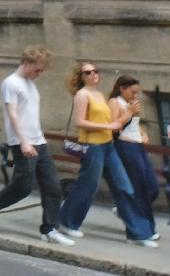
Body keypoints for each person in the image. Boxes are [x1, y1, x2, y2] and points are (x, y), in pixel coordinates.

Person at [0, 45, 74, 246]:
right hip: (23, 143)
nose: (39, 74)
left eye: (41, 70)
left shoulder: (30, 83)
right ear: (26, 63)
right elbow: (12, 114)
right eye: (38, 69)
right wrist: (23, 142)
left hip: (39, 142)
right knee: (23, 187)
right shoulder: (11, 83)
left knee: (53, 187)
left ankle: (49, 229)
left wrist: (38, 139)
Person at [56, 61, 156, 247]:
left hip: (108, 146)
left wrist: (125, 122)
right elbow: (80, 122)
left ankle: (138, 234)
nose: (93, 74)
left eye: (95, 71)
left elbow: (112, 120)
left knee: (123, 186)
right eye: (88, 72)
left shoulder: (99, 94)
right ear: (81, 77)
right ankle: (66, 221)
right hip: (93, 146)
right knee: (88, 186)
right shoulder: (82, 95)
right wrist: (108, 126)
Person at [109, 75, 159, 237]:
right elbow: (113, 128)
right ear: (122, 89)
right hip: (125, 146)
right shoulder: (114, 102)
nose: (135, 96)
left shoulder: (131, 104)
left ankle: (125, 209)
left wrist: (143, 133)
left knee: (152, 187)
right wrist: (129, 113)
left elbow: (134, 125)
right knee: (140, 189)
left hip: (137, 146)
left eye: (137, 92)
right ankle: (145, 230)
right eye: (132, 92)